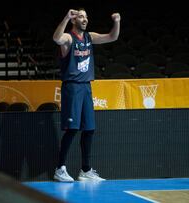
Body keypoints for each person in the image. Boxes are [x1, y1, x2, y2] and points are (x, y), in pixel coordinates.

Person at [52, 8, 120, 182]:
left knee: (89, 129)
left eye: (86, 16)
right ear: (75, 20)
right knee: (72, 129)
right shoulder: (69, 38)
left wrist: (117, 22)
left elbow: (112, 37)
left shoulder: (90, 37)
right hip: (72, 87)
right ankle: (60, 168)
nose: (85, 19)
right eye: (81, 16)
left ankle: (85, 170)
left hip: (86, 87)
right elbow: (56, 38)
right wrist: (66, 17)